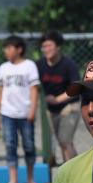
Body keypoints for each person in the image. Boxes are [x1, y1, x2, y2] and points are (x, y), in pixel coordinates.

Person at [0, 35, 41, 183]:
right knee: (10, 145)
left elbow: (34, 90)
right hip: (7, 113)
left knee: (29, 146)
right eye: (5, 48)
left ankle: (31, 180)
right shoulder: (3, 68)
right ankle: (13, 181)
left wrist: (32, 110)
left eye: (9, 48)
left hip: (25, 113)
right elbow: (0, 92)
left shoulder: (29, 66)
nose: (6, 51)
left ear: (19, 49)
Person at [36, 30, 81, 164]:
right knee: (58, 143)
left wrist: (57, 100)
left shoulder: (69, 65)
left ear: (58, 46)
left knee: (65, 141)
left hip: (69, 106)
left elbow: (76, 88)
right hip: (50, 110)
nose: (46, 49)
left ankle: (75, 171)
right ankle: (68, 170)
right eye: (44, 46)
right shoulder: (40, 65)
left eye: (49, 45)